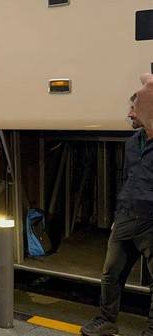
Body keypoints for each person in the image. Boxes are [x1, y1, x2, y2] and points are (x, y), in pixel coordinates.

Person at [81, 90, 153, 336]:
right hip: (126, 217)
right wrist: (118, 214)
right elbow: (127, 178)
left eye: (134, 108)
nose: (129, 113)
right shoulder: (133, 142)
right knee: (111, 273)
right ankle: (107, 320)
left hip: (151, 220)